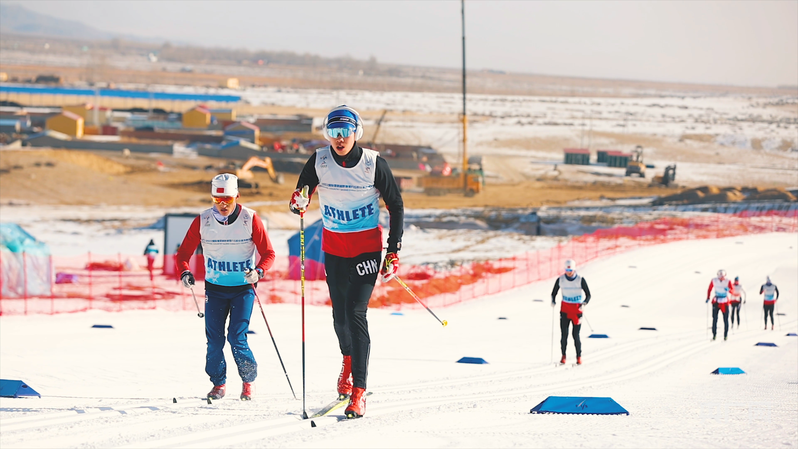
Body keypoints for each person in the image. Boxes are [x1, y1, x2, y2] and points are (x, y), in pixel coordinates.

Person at [289, 105, 404, 418]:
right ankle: (348, 362)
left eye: (345, 132)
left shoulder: (372, 163)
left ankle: (359, 391)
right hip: (335, 247)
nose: (339, 139)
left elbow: (395, 204)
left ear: (356, 133)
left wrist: (393, 250)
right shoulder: (320, 160)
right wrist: (298, 203)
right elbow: (300, 196)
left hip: (366, 248)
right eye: (333, 133)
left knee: (356, 313)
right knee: (339, 316)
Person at [176, 173, 276, 401]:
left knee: (236, 337)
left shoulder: (250, 219)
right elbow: (183, 253)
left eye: (227, 201)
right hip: (215, 288)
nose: (222, 205)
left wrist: (258, 271)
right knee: (214, 340)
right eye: (217, 200)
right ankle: (218, 383)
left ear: (236, 197)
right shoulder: (203, 220)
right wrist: (185, 271)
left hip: (243, 289)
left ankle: (248, 380)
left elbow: (269, 253)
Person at [551, 259, 592, 365]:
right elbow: (554, 292)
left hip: (577, 310)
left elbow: (588, 295)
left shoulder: (580, 279)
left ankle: (578, 357)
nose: (568, 273)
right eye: (566, 270)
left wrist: (584, 303)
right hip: (565, 309)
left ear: (574, 269)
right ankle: (563, 356)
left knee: (575, 334)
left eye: (570, 270)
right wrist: (553, 300)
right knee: (564, 334)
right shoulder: (561, 279)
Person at [706, 269, 733, 341]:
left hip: (724, 301)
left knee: (725, 319)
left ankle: (725, 335)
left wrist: (729, 290)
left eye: (723, 277)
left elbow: (732, 290)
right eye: (720, 277)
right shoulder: (714, 280)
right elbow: (709, 289)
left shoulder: (728, 281)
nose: (721, 278)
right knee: (714, 318)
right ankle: (714, 334)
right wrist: (708, 297)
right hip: (717, 301)